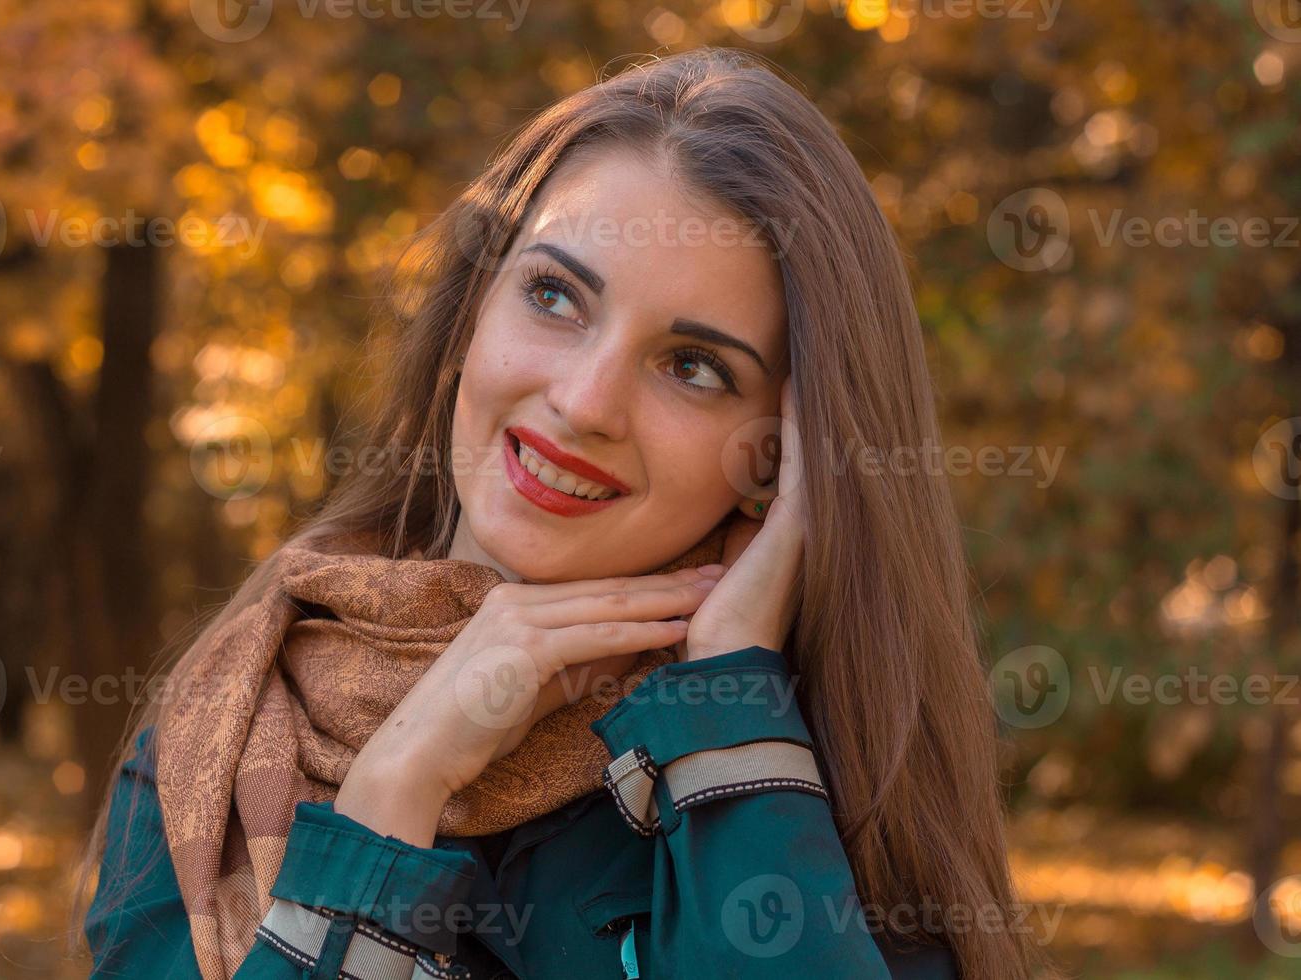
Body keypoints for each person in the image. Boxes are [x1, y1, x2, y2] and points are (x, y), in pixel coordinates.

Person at [77, 47, 1039, 980]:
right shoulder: (225, 737)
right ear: (468, 316)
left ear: (781, 459)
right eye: (554, 295)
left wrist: (730, 699)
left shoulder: (827, 778)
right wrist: (396, 787)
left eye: (692, 367)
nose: (584, 402)